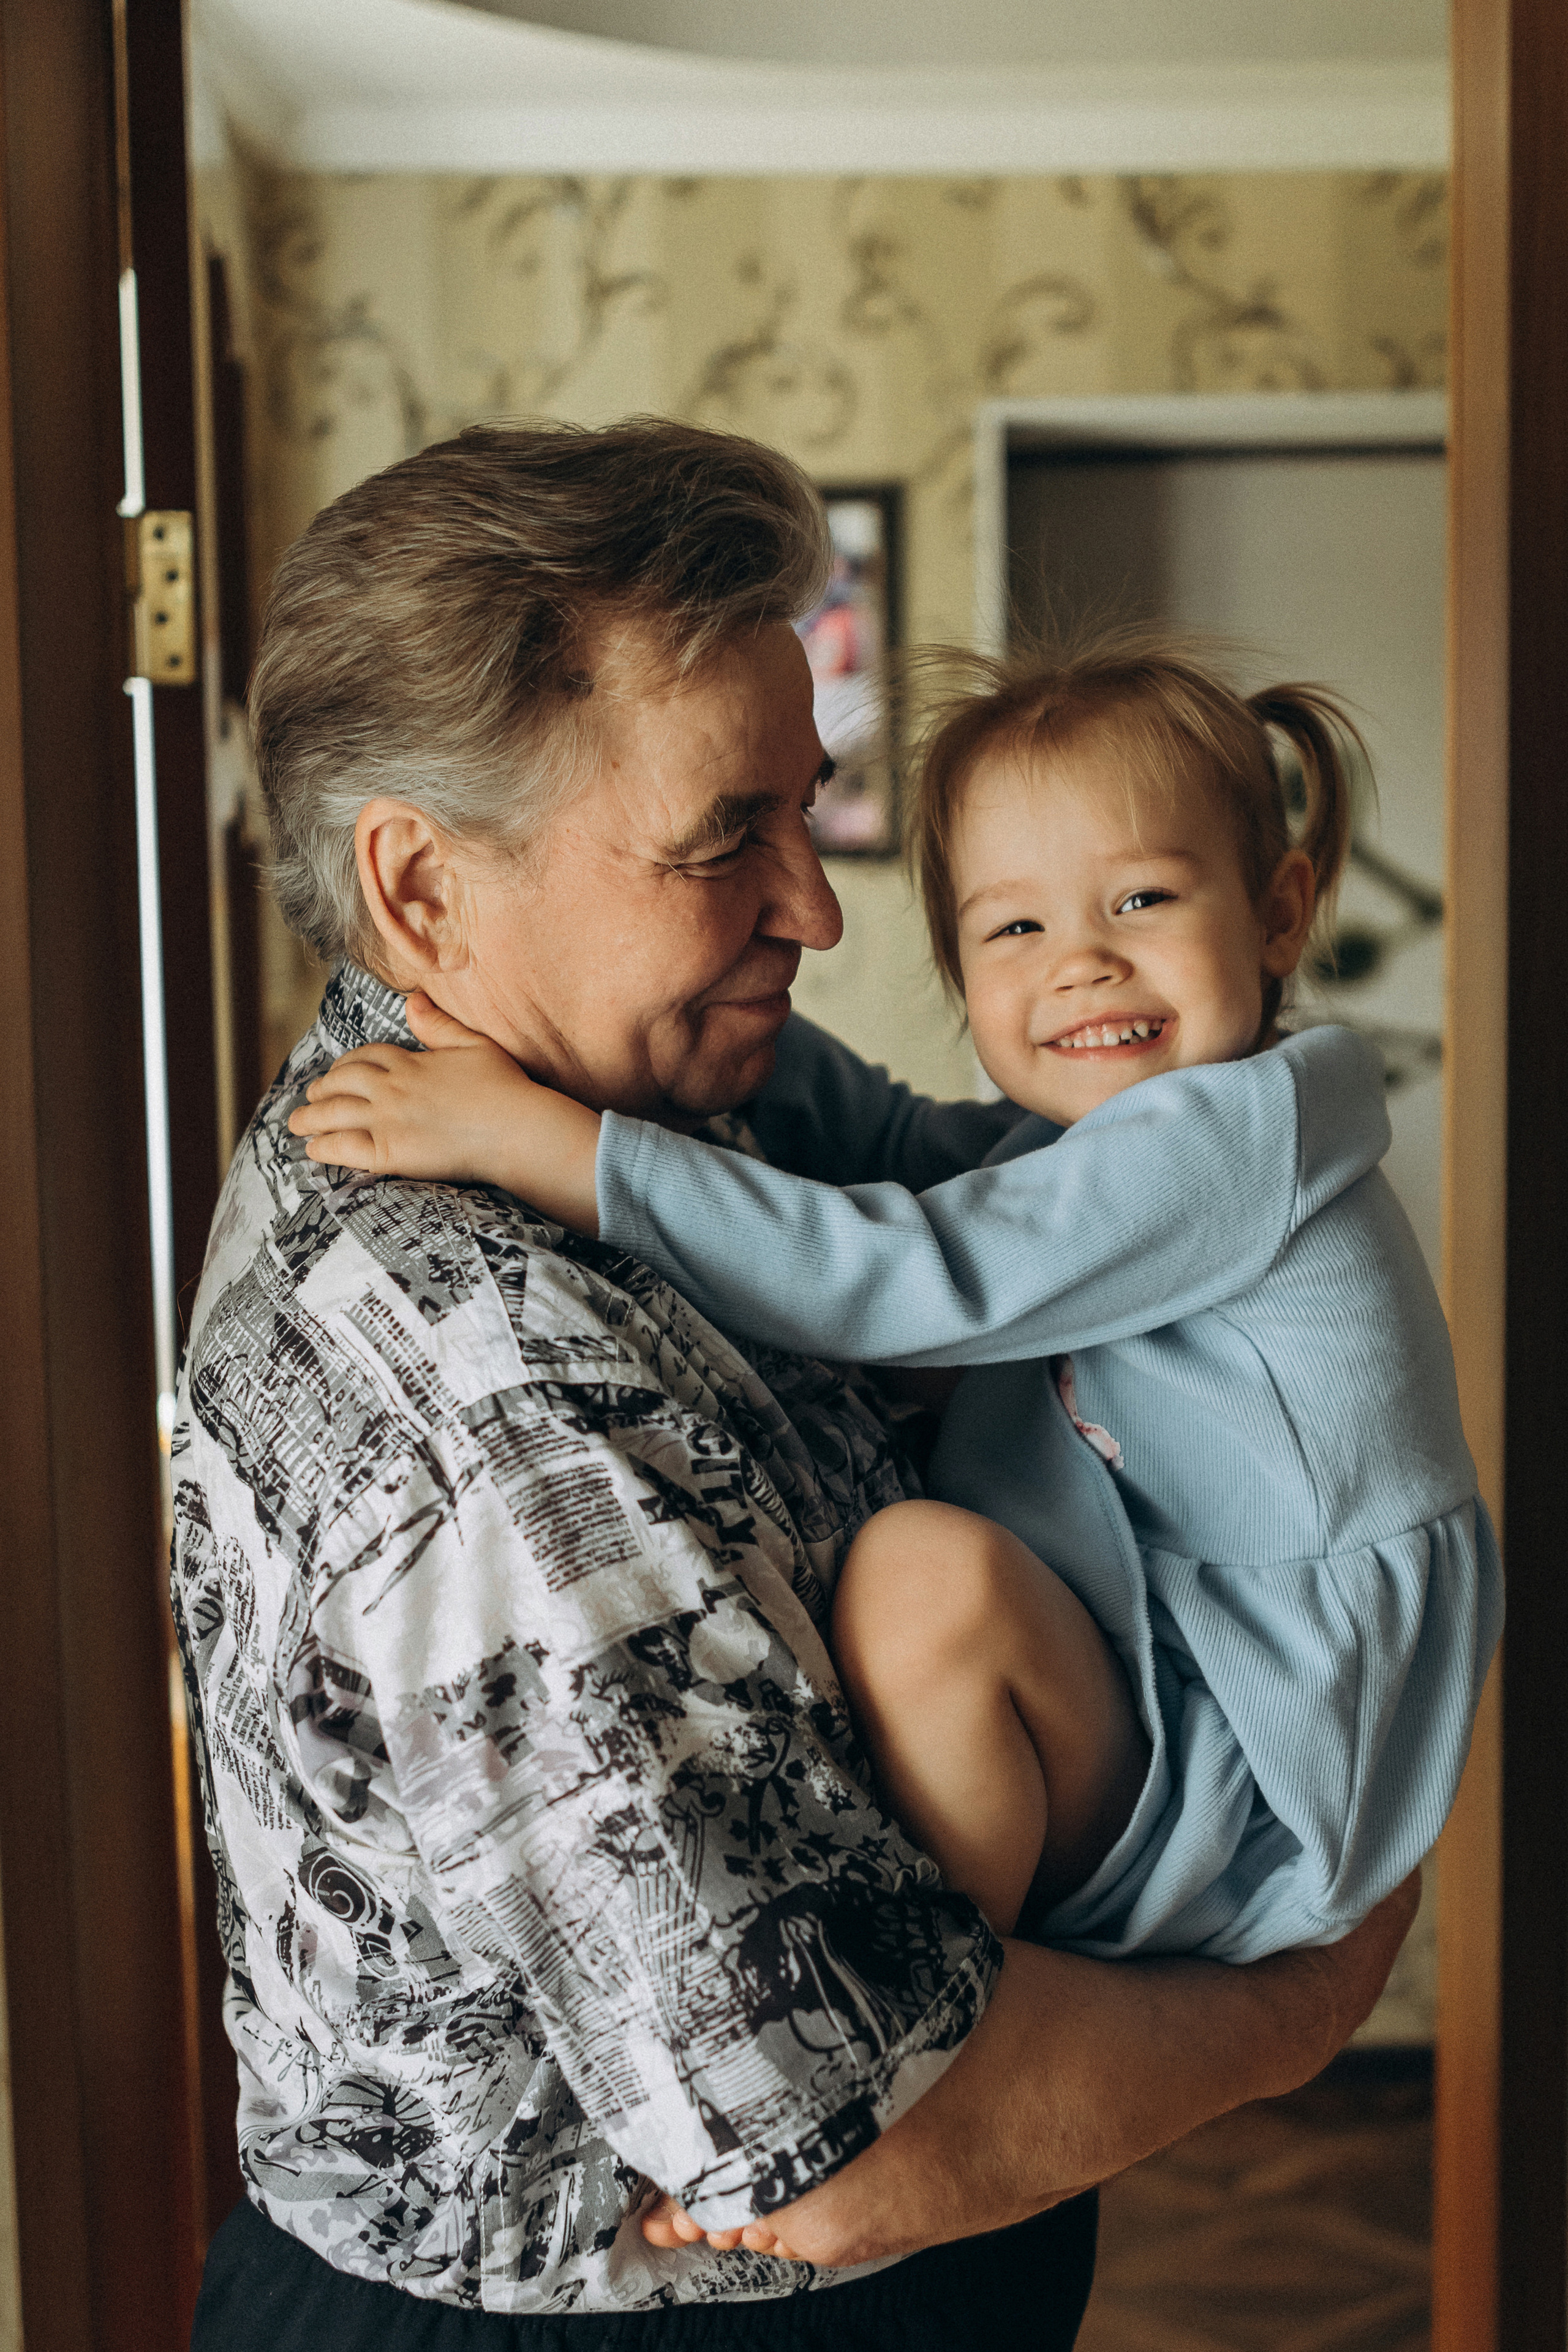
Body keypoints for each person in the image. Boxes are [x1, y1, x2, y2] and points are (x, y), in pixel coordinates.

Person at [178, 421, 1417, 2350]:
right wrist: (1302, 2010)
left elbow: (946, 1196)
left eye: (804, 810)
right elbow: (842, 2154)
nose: (821, 912)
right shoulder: (494, 1406)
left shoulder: (648, 1099)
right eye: (720, 840)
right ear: (422, 896)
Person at [292, 626, 1499, 1985]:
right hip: (1183, 1697)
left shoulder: (1231, 1140)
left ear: (1277, 913)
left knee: (927, 1584)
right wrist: (676, 1002)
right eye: (1015, 927)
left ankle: (923, 2028)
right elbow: (901, 1147)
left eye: (1143, 903)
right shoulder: (1108, 1147)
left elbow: (901, 1268)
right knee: (932, 1569)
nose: (1081, 963)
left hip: (1254, 1747)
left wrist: (551, 1147)